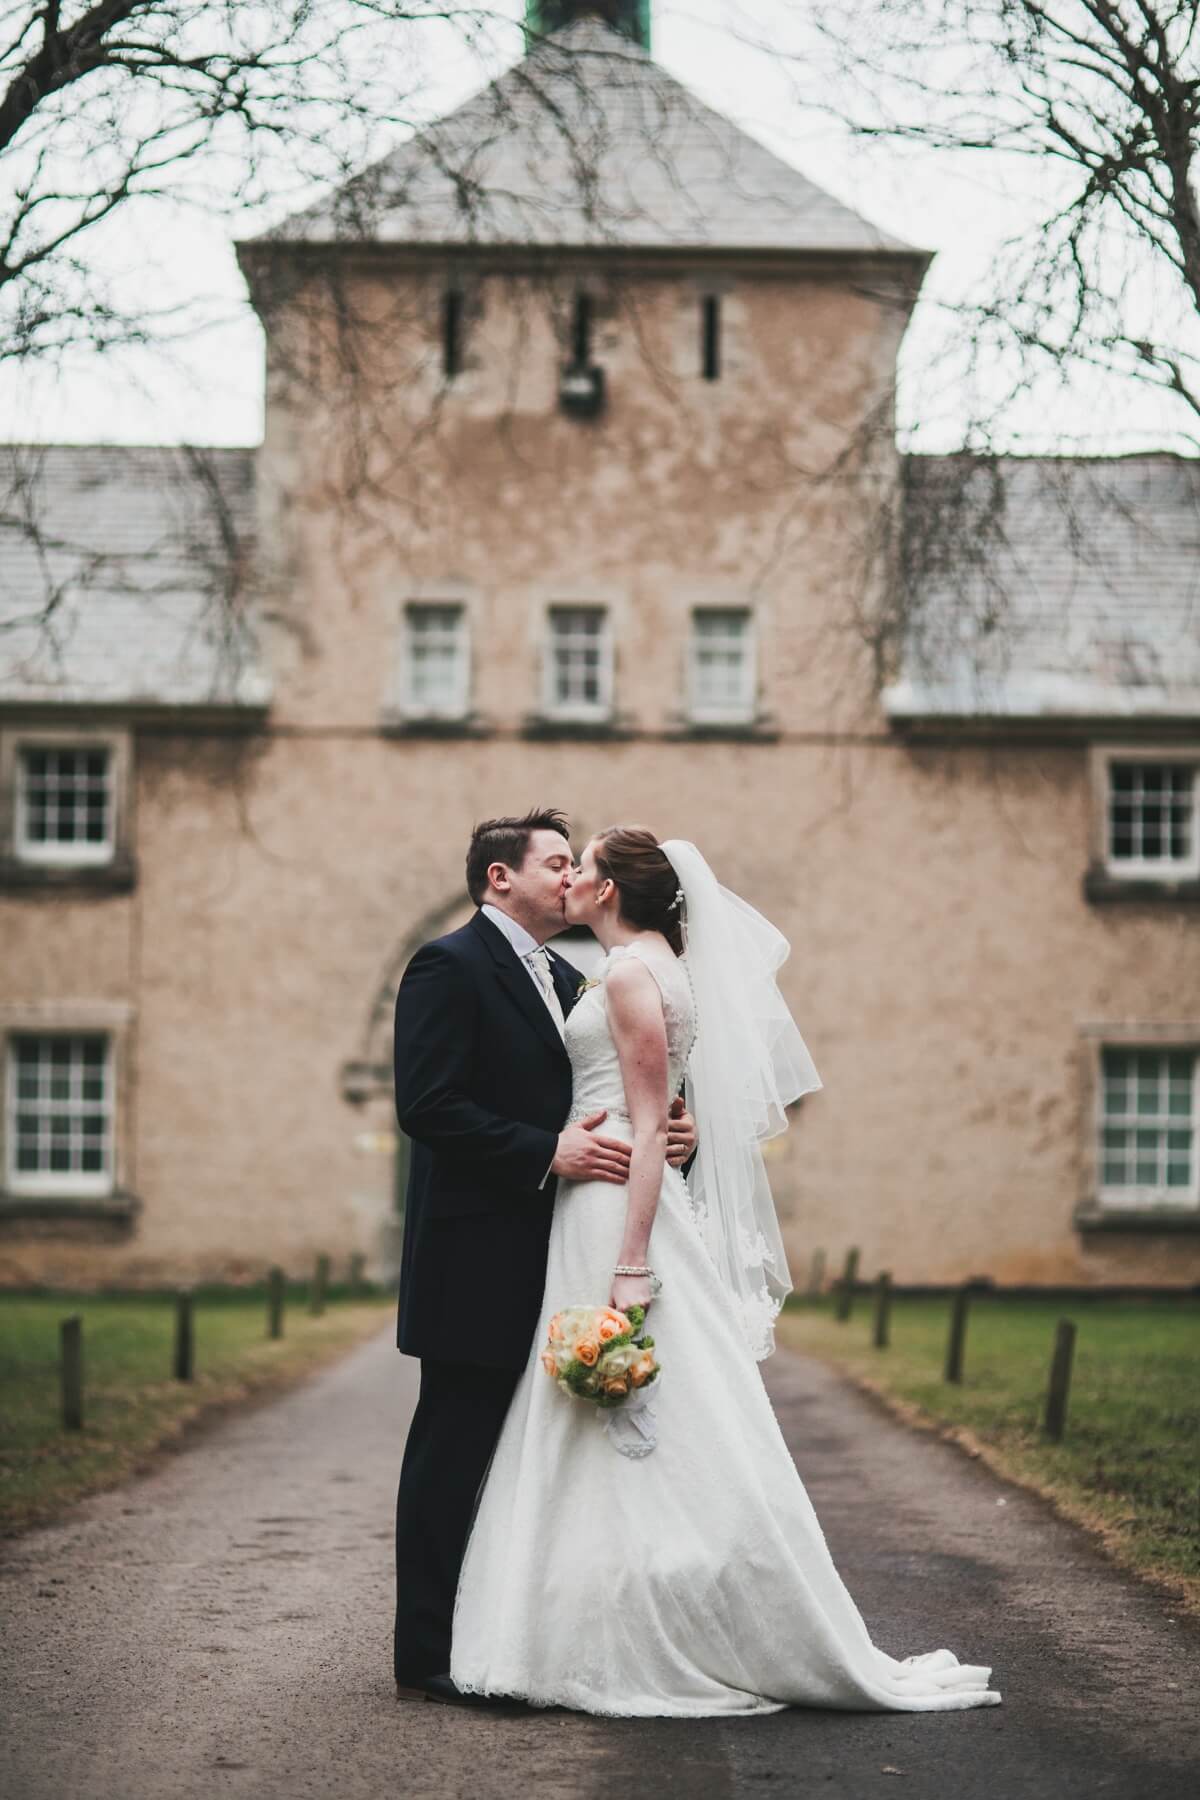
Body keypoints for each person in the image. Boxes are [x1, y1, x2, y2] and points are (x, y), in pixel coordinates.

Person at [449, 826, 1002, 1716]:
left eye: (583, 866)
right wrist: (673, 1136)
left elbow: (637, 1122)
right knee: (646, 1403)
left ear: (612, 890)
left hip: (615, 1214)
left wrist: (630, 1262)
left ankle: (614, 1619)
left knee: (626, 1400)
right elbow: (660, 1110)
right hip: (621, 1194)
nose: (572, 877)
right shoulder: (662, 964)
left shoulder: (629, 972)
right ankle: (615, 1597)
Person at [391, 809, 697, 1703]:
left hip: (566, 1248)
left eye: (575, 864)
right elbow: (429, 1104)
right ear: (499, 879)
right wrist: (545, 1151)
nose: (569, 878)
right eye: (555, 863)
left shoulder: (574, 975)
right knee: (451, 1452)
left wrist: (675, 1130)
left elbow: (625, 1088)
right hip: (476, 1254)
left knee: (550, 1458)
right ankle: (425, 1658)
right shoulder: (447, 965)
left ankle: (515, 1636)